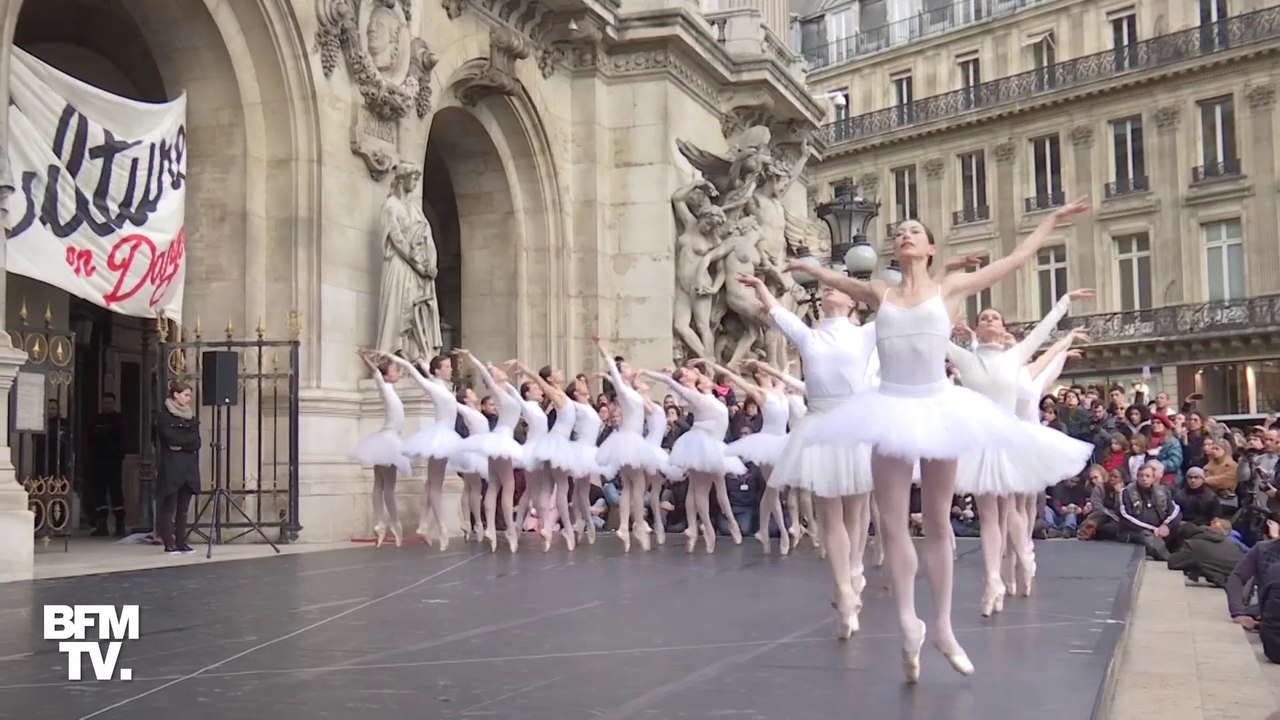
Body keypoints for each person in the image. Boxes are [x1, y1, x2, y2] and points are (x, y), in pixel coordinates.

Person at [796, 197, 1092, 683]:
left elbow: (1014, 260)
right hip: (889, 407)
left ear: (931, 248)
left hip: (938, 406)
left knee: (936, 520)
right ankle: (908, 623)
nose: (905, 235)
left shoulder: (949, 288)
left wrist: (1050, 221)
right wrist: (805, 267)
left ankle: (943, 627)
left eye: (915, 230)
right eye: (900, 231)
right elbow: (834, 278)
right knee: (892, 523)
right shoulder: (879, 291)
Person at [738, 271, 878, 633]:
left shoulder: (866, 333)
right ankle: (843, 589)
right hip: (818, 426)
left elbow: (902, 312)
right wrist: (761, 287)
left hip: (854, 423)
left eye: (840, 287)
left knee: (856, 511)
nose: (830, 289)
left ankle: (855, 568)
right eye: (828, 286)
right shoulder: (809, 335)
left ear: (852, 301)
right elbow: (779, 314)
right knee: (830, 515)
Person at [391, 353, 461, 550]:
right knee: (435, 484)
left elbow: (428, 373)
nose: (451, 369)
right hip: (440, 436)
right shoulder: (433, 386)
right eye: (447, 366)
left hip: (446, 435)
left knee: (432, 482)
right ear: (438, 370)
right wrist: (399, 360)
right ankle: (442, 528)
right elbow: (415, 372)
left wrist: (423, 363)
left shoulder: (441, 385)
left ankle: (423, 524)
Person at [350, 349, 412, 548]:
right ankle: (393, 525)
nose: (398, 373)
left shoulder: (391, 390)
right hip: (388, 440)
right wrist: (365, 358)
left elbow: (390, 369)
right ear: (386, 376)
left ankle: (381, 525)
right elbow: (376, 372)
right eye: (395, 371)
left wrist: (393, 358)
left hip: (386, 439)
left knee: (379, 484)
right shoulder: (385, 387)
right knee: (388, 487)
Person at [156, 381, 201, 556]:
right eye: (185, 395)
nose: (188, 398)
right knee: (170, 506)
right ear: (175, 395)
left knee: (183, 508)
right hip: (172, 467)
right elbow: (169, 438)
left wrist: (181, 445)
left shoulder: (192, 418)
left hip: (189, 467)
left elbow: (196, 442)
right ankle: (169, 542)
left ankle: (182, 542)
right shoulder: (164, 417)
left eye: (189, 395)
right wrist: (184, 442)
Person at [88, 392, 129, 537]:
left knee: (116, 492)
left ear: (114, 404)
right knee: (99, 492)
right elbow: (91, 437)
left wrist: (104, 432)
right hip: (98, 461)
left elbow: (122, 439)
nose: (107, 405)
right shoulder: (96, 419)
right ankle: (102, 524)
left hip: (114, 462)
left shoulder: (119, 420)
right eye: (105, 403)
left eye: (110, 403)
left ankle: (120, 524)